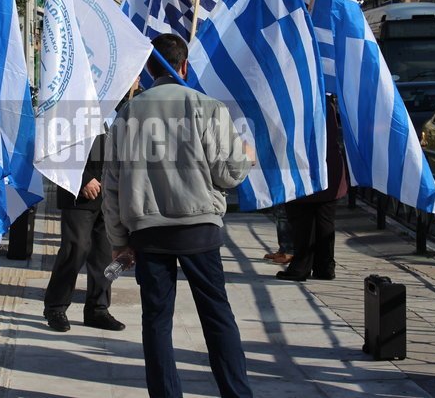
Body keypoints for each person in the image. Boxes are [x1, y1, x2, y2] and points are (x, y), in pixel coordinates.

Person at [104, 33, 254, 398]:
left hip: (148, 231)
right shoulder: (207, 107)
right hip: (198, 227)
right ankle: (236, 392)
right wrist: (246, 155)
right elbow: (228, 173)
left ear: (148, 69)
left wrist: (118, 241)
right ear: (183, 65)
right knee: (217, 316)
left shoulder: (126, 115)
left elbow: (111, 186)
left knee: (156, 321)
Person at [43, 135, 125, 333]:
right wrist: (83, 178)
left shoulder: (121, 107)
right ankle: (55, 307)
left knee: (105, 254)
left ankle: (98, 308)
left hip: (111, 191)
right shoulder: (74, 104)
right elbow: (57, 144)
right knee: (76, 247)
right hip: (80, 190)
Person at [276, 95, 348, 282]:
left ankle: (301, 267)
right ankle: (325, 267)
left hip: (303, 167)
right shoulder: (327, 103)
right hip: (330, 167)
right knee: (325, 220)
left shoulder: (297, 97)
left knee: (302, 221)